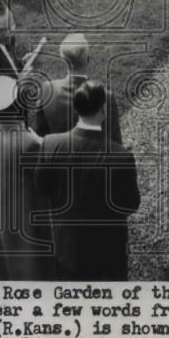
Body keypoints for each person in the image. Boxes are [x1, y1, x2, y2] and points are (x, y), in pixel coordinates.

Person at [34, 80, 140, 280]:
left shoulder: (50, 144)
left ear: (76, 109)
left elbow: (43, 189)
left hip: (67, 251)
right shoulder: (121, 156)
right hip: (108, 255)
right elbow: (130, 205)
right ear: (103, 111)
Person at [0, 75, 53, 280]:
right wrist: (42, 142)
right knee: (25, 261)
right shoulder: (27, 142)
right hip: (20, 212)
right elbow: (49, 174)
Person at [33, 34, 122, 142]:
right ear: (88, 59)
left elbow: (41, 136)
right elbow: (115, 142)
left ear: (64, 60)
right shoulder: (106, 96)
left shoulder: (46, 90)